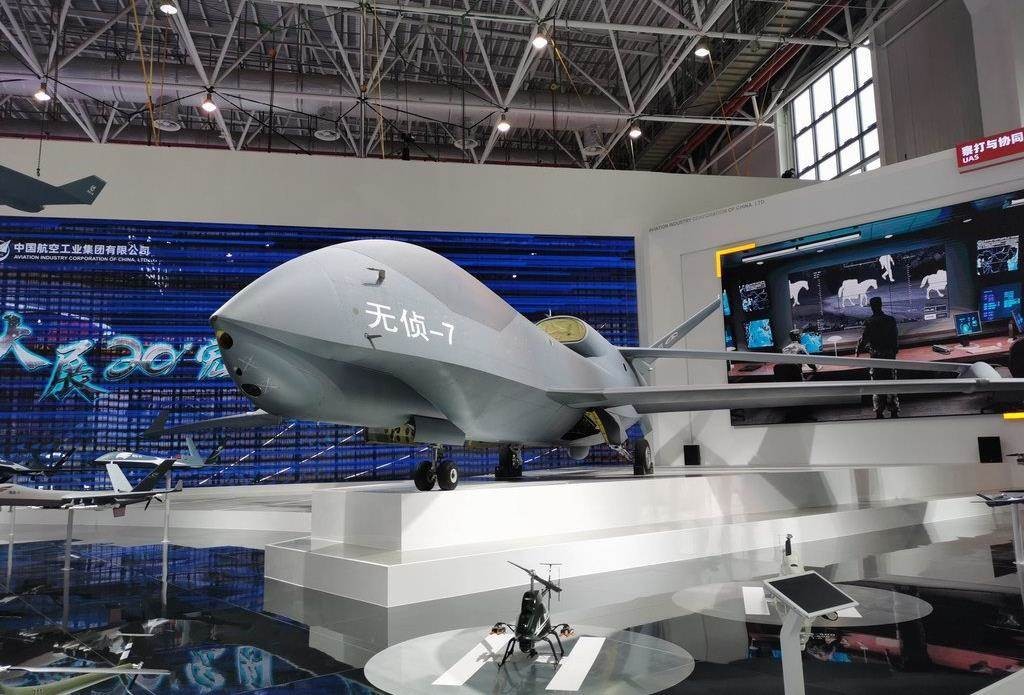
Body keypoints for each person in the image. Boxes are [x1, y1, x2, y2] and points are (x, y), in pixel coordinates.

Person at [857, 296, 900, 418]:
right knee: (892, 384)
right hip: (889, 356)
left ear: (871, 307)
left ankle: (879, 412)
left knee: (877, 385)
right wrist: (893, 352)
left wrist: (859, 350)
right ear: (881, 305)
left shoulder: (869, 322)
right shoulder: (891, 320)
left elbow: (864, 340)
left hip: (876, 357)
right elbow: (895, 339)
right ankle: (894, 411)